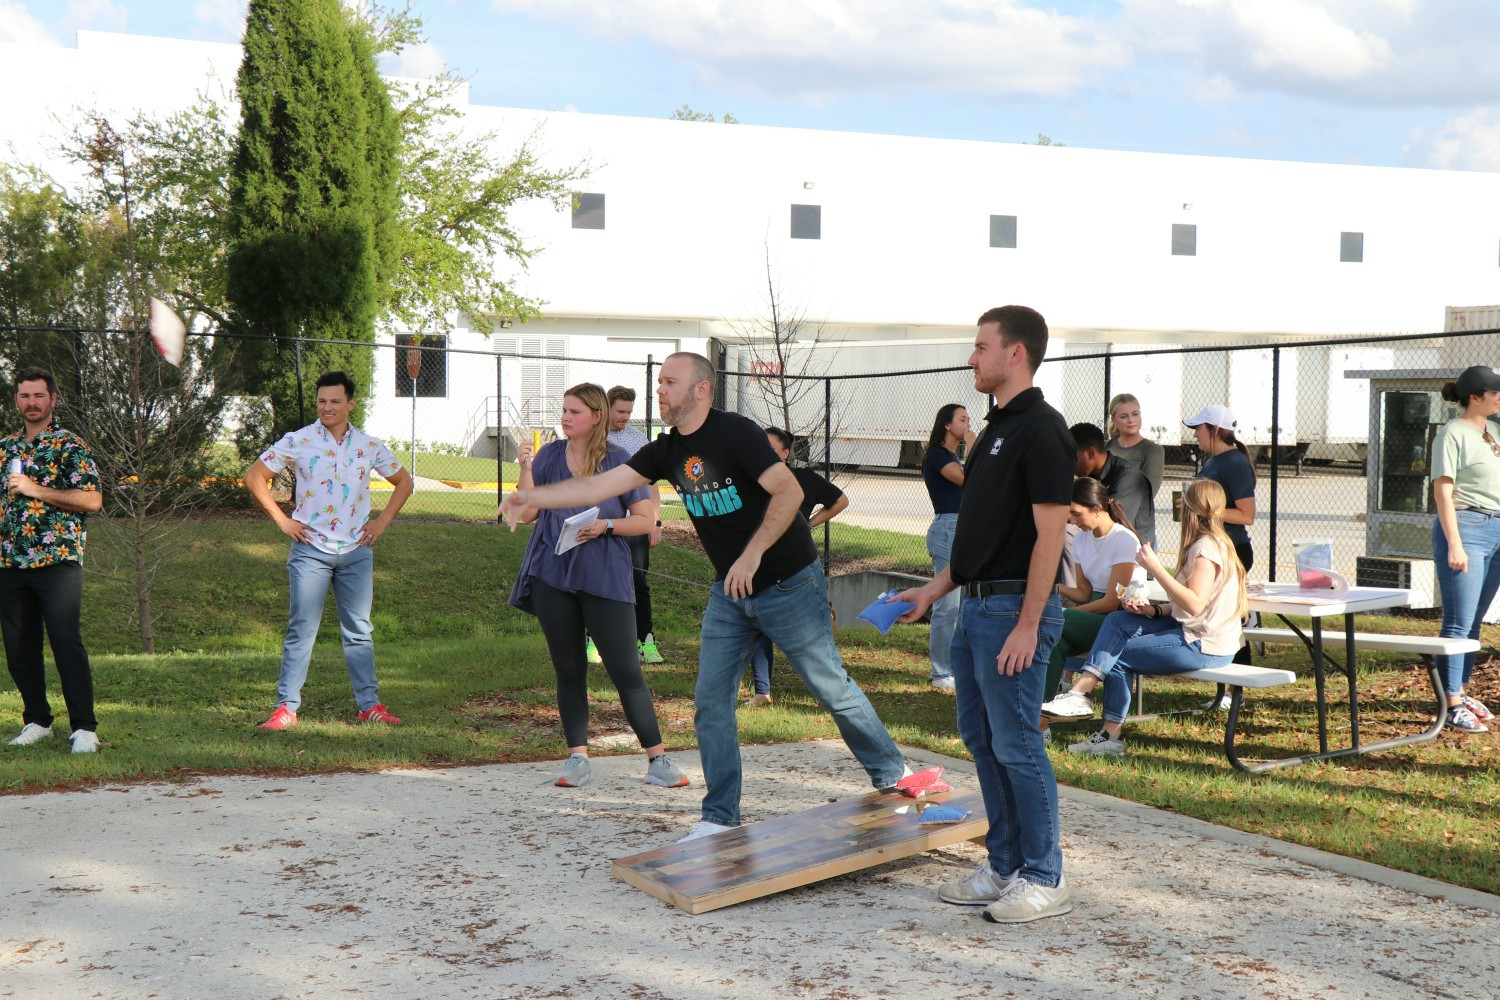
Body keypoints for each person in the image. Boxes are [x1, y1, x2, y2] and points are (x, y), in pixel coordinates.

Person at [501, 352, 906, 843]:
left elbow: (789, 494)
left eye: (670, 382)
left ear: (701, 389)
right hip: (730, 592)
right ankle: (719, 817)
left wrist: (753, 553)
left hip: (787, 581)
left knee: (830, 687)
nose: (660, 391)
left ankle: (893, 775)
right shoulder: (665, 450)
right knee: (711, 702)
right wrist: (532, 497)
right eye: (660, 383)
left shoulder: (736, 433)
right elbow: (601, 484)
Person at [894, 306, 1075, 925]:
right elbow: (980, 533)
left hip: (1012, 609)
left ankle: (1044, 875)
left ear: (1015, 353)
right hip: (975, 605)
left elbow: (1050, 536)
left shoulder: (1042, 430)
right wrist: (933, 588)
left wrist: (1028, 623)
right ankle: (1003, 866)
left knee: (1020, 743)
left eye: (981, 347)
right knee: (982, 740)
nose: (972, 358)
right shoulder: (995, 430)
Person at [508, 383, 689, 788]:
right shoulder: (551, 455)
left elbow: (645, 520)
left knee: (626, 671)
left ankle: (658, 760)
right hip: (552, 576)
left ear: (595, 417)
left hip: (605, 576)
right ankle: (577, 759)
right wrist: (523, 469)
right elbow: (533, 510)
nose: (565, 416)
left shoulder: (621, 461)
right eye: (564, 409)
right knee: (568, 670)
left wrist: (605, 526)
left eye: (574, 411)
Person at [245, 372, 414, 730]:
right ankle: (286, 708)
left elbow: (404, 482)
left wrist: (382, 522)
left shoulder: (369, 445)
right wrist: (282, 520)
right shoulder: (299, 440)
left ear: (350, 404)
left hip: (356, 550)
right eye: (322, 401)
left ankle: (369, 706)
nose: (327, 407)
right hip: (310, 550)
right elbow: (254, 476)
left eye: (335, 401)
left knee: (359, 630)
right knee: (301, 629)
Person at [1040, 479, 1248, 756]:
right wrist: (1153, 610)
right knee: (1117, 623)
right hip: (1192, 632)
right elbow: (1190, 604)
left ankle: (1103, 727)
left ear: (1190, 510)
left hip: (1204, 645)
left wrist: (1156, 569)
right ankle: (1079, 700)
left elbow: (1196, 605)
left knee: (1116, 655)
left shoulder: (1206, 549)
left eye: (1181, 506)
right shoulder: (1206, 544)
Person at [1, 367, 103, 753]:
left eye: (39, 396)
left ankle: (84, 728)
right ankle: (37, 720)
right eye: (25, 396)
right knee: (19, 648)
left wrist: (35, 489)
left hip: (56, 558)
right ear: (16, 400)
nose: (31, 403)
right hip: (10, 562)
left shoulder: (68, 445)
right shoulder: (5, 447)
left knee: (65, 642)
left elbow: (92, 499)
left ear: (53, 399)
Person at [744, 425, 849, 706]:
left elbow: (841, 500)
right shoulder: (751, 477)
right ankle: (762, 691)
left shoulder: (804, 478)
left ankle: (829, 689)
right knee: (758, 626)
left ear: (786, 453)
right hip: (758, 562)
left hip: (796, 566)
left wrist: (810, 523)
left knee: (810, 631)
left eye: (770, 449)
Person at [1038, 478, 1145, 741]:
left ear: (1098, 508)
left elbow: (1111, 602)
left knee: (1051, 621)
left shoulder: (1124, 540)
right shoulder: (1083, 539)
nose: (1072, 520)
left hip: (1120, 619)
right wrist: (1055, 589)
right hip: (1095, 613)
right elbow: (1083, 592)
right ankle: (1040, 724)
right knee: (1054, 641)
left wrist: (1065, 614)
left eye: (1076, 513)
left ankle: (1063, 704)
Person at [1428, 365, 1500, 733]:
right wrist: (1455, 543)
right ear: (1475, 396)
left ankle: (1461, 690)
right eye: (1495, 393)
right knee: (1458, 621)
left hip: (1497, 529)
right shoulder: (1452, 434)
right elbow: (1443, 491)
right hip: (1467, 527)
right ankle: (1450, 703)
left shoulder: (1494, 429)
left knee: (1475, 621)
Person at [1185, 404, 1257, 681]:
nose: (1195, 436)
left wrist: (1204, 508)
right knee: (1221, 618)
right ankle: (1226, 687)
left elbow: (1246, 515)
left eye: (1198, 429)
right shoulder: (1213, 461)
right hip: (1214, 548)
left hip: (1232, 551)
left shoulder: (1235, 462)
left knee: (1229, 620)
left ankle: (1237, 686)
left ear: (1214, 430)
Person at [605, 385, 665, 665]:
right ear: (606, 408)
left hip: (636, 525)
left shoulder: (639, 440)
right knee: (601, 581)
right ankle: (596, 641)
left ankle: (646, 642)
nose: (625, 417)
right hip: (602, 524)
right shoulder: (595, 438)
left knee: (638, 582)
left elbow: (651, 486)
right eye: (620, 411)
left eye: (629, 412)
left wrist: (655, 522)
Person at [921, 404, 974, 692]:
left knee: (965, 602)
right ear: (946, 424)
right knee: (947, 604)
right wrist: (976, 443)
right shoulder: (938, 456)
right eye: (962, 419)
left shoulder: (953, 455)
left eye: (968, 420)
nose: (967, 424)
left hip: (962, 528)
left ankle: (956, 667)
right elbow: (970, 480)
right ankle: (941, 673)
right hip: (948, 529)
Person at [1073, 422, 1155, 548]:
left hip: (1134, 558)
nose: (1068, 462)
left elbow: (1112, 523)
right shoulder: (1091, 477)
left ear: (1090, 453)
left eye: (1072, 456)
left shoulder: (1129, 477)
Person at [1105, 393, 1165, 499]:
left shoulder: (1153, 451)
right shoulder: (1105, 448)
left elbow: (1148, 493)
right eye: (1124, 416)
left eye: (1135, 414)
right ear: (1114, 420)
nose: (1131, 420)